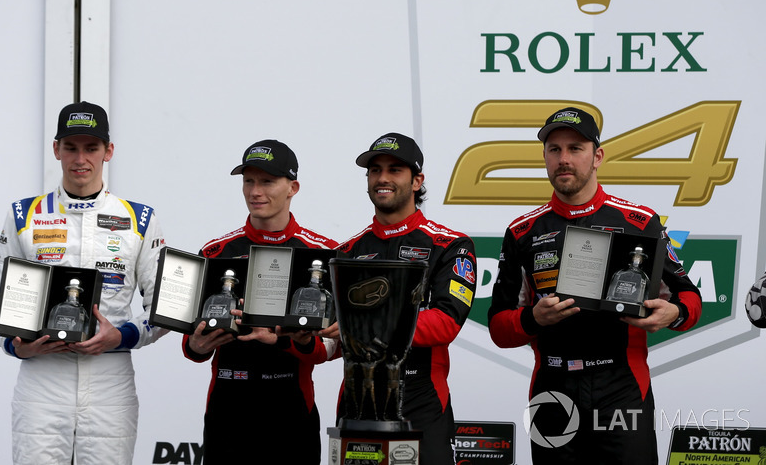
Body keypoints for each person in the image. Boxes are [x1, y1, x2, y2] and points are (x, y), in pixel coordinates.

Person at [487, 107, 702, 464]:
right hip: (552, 385)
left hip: (621, 384)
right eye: (554, 150)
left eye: (575, 148)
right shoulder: (523, 231)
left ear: (597, 156)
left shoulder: (639, 221)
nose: (564, 159)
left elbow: (690, 297)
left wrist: (673, 314)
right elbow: (498, 327)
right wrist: (533, 320)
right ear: (544, 157)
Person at [0, 101, 168, 465]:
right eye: (70, 147)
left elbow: (163, 307)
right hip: (42, 379)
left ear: (108, 151)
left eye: (91, 147)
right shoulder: (24, 215)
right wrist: (17, 347)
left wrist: (122, 336)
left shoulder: (138, 218)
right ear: (56, 149)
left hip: (110, 379)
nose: (80, 158)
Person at [183, 139, 338, 465]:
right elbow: (191, 343)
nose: (255, 191)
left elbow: (332, 347)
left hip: (290, 408)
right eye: (248, 180)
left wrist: (284, 340)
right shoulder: (215, 253)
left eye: (267, 181)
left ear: (292, 187)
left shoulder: (324, 255)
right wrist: (197, 345)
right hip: (227, 408)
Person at [335, 132, 477, 465]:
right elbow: (328, 341)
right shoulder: (346, 253)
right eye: (374, 170)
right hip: (358, 399)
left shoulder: (449, 246)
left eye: (394, 169)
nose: (382, 178)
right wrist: (293, 337)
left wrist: (368, 325)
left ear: (417, 181)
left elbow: (446, 323)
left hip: (421, 399)